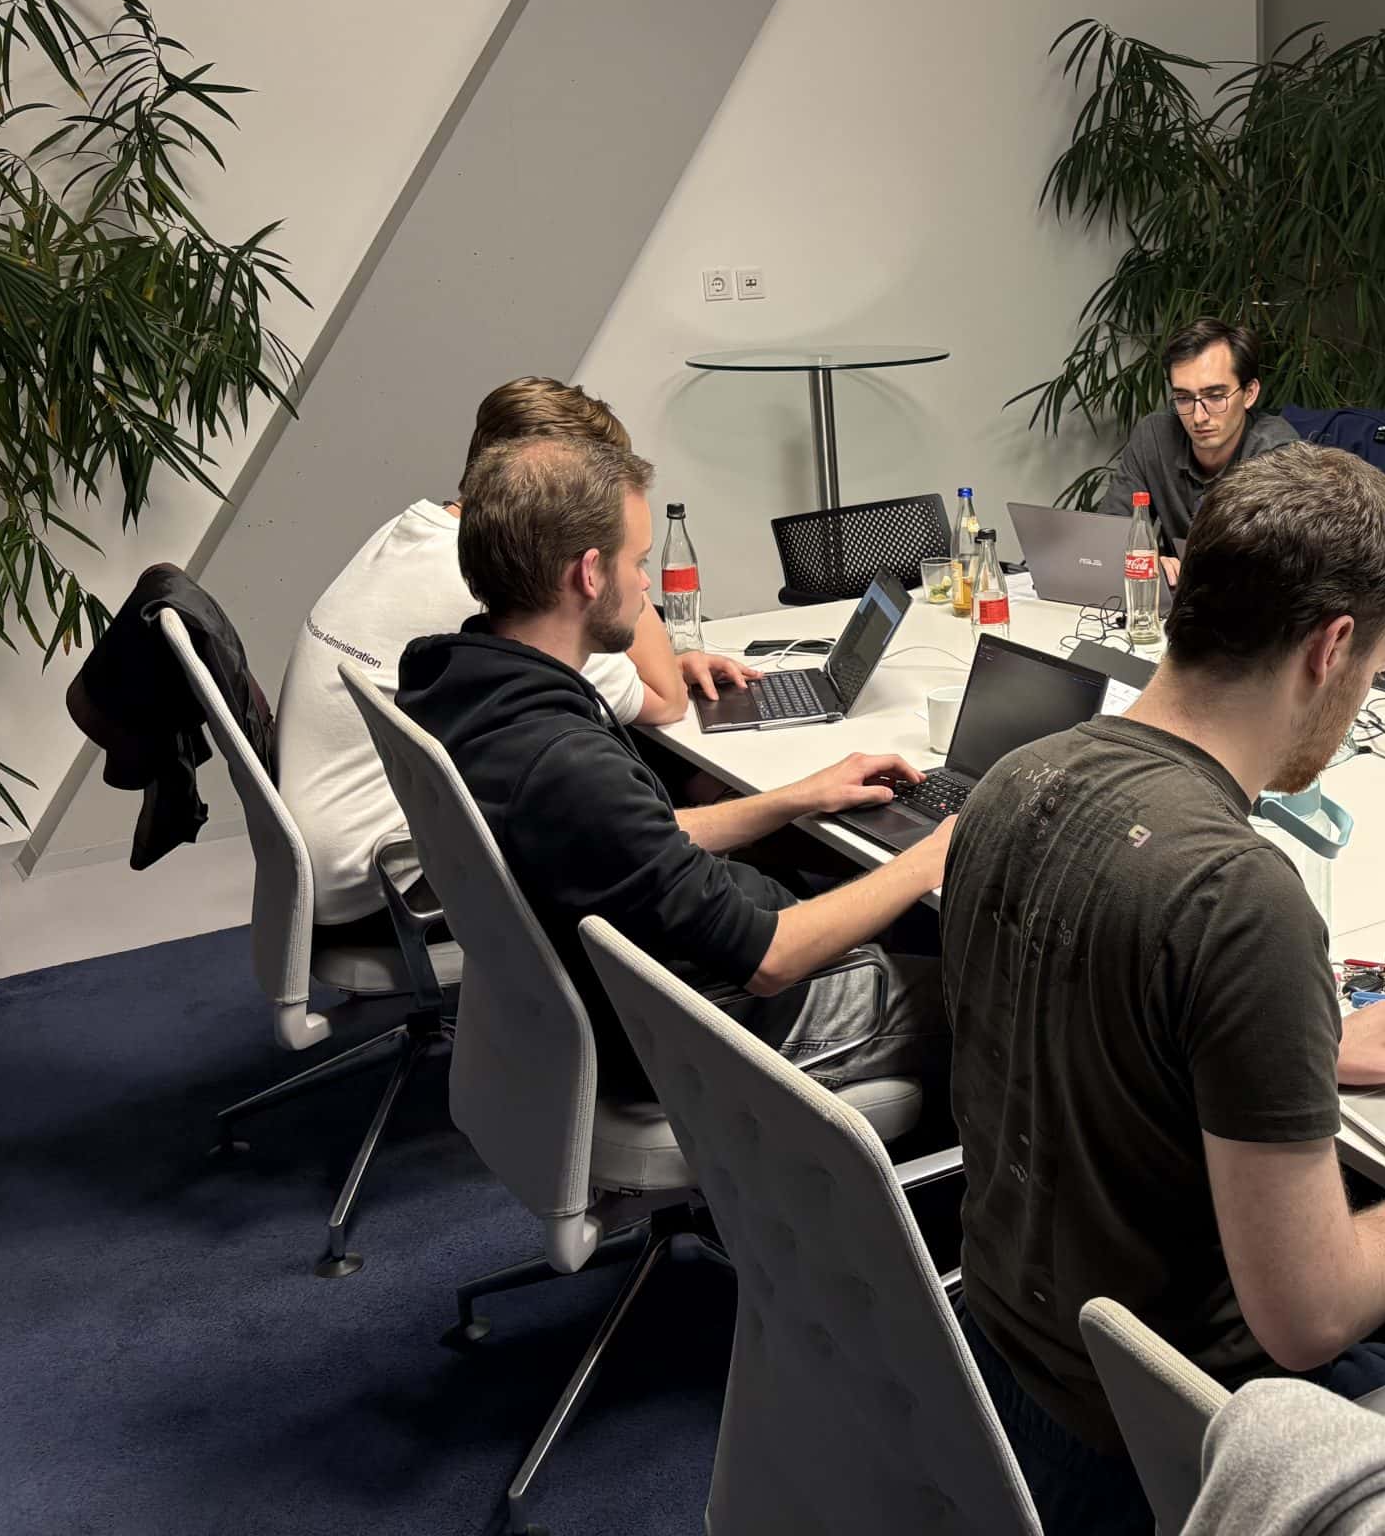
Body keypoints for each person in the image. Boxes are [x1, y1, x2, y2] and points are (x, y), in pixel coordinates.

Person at [938, 443, 1385, 1533]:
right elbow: (1307, 1317)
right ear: (1331, 649)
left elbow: (1105, 1040)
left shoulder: (1012, 781)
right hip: (1173, 1433)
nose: (1360, 706)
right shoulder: (1236, 896)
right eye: (1374, 674)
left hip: (1009, 1365)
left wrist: (1300, 1049)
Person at [397, 433, 950, 1100]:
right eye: (638, 561)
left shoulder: (464, 679)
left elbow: (632, 840)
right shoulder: (562, 761)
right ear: (589, 574)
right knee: (1012, 1002)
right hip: (715, 1024)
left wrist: (797, 797)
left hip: (640, 996)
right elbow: (771, 959)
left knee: (890, 910)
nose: (647, 583)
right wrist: (934, 856)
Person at [275, 376, 757, 930]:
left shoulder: (417, 531)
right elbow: (664, 702)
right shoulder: (503, 586)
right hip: (390, 881)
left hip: (335, 852)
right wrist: (621, 556)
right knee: (649, 798)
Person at [1101, 317, 1298, 576]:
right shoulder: (1154, 436)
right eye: (1183, 398)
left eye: (1216, 396)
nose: (1199, 417)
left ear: (1249, 393)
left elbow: (1281, 570)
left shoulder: (1278, 455)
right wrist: (1149, 563)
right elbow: (1109, 538)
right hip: (1174, 605)